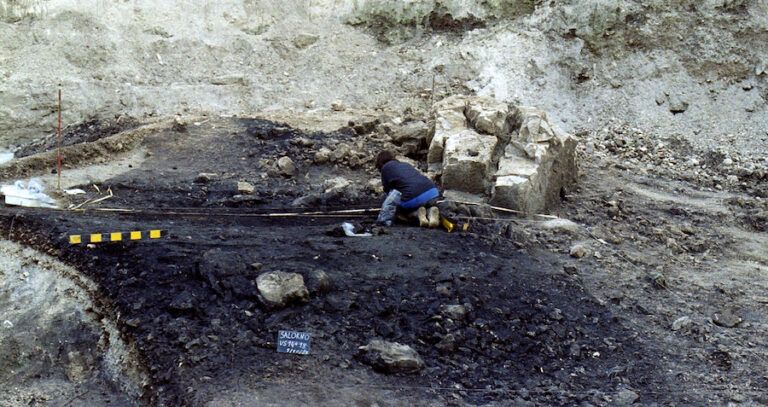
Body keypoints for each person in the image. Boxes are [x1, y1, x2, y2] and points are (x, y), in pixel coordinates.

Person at [375, 150, 440, 227]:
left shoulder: (385, 168)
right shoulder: (405, 164)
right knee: (418, 199)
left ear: (380, 162)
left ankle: (416, 215)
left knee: (398, 206)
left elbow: (388, 191)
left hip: (413, 199)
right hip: (433, 192)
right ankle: (430, 212)